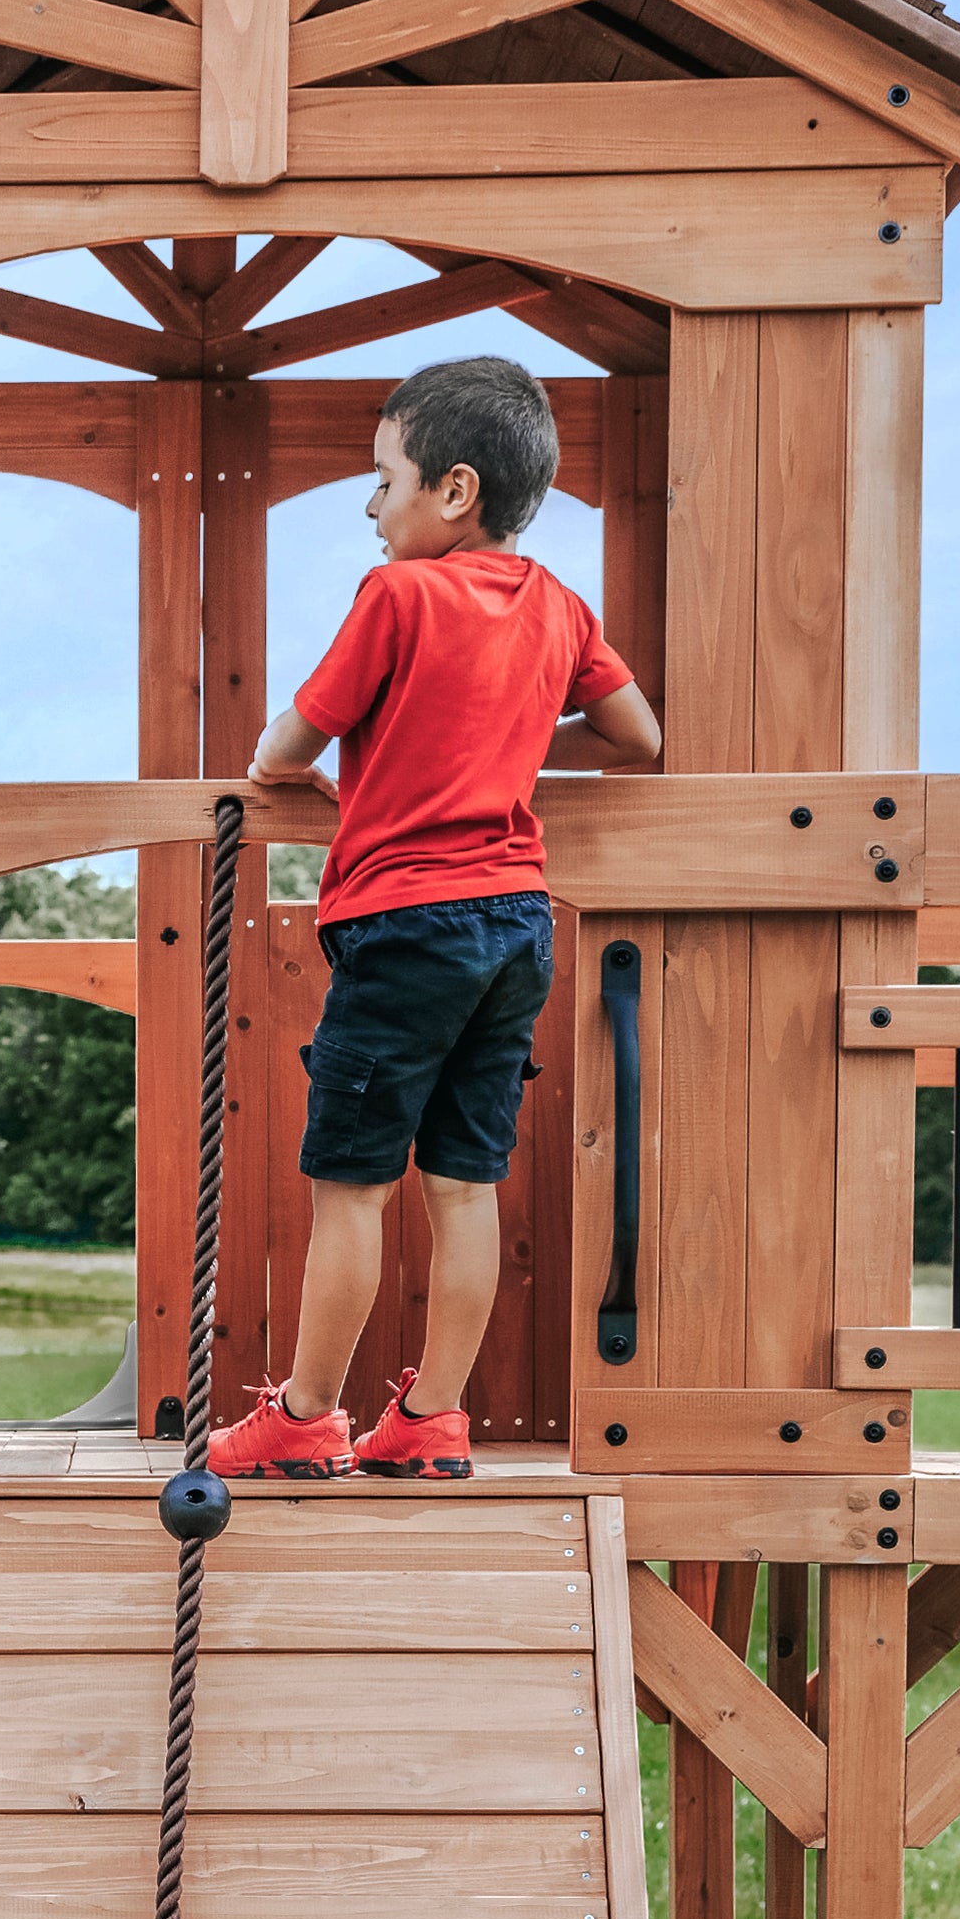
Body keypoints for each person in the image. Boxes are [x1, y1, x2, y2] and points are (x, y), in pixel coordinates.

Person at [210, 355, 661, 1484]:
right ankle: (432, 1419)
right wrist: (507, 750)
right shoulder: (558, 604)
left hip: (405, 925)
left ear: (452, 490)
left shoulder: (397, 596)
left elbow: (280, 752)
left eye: (382, 479)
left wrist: (339, 771)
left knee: (352, 1184)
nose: (371, 505)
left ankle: (309, 1414)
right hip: (515, 925)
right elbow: (635, 737)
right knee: (465, 1185)